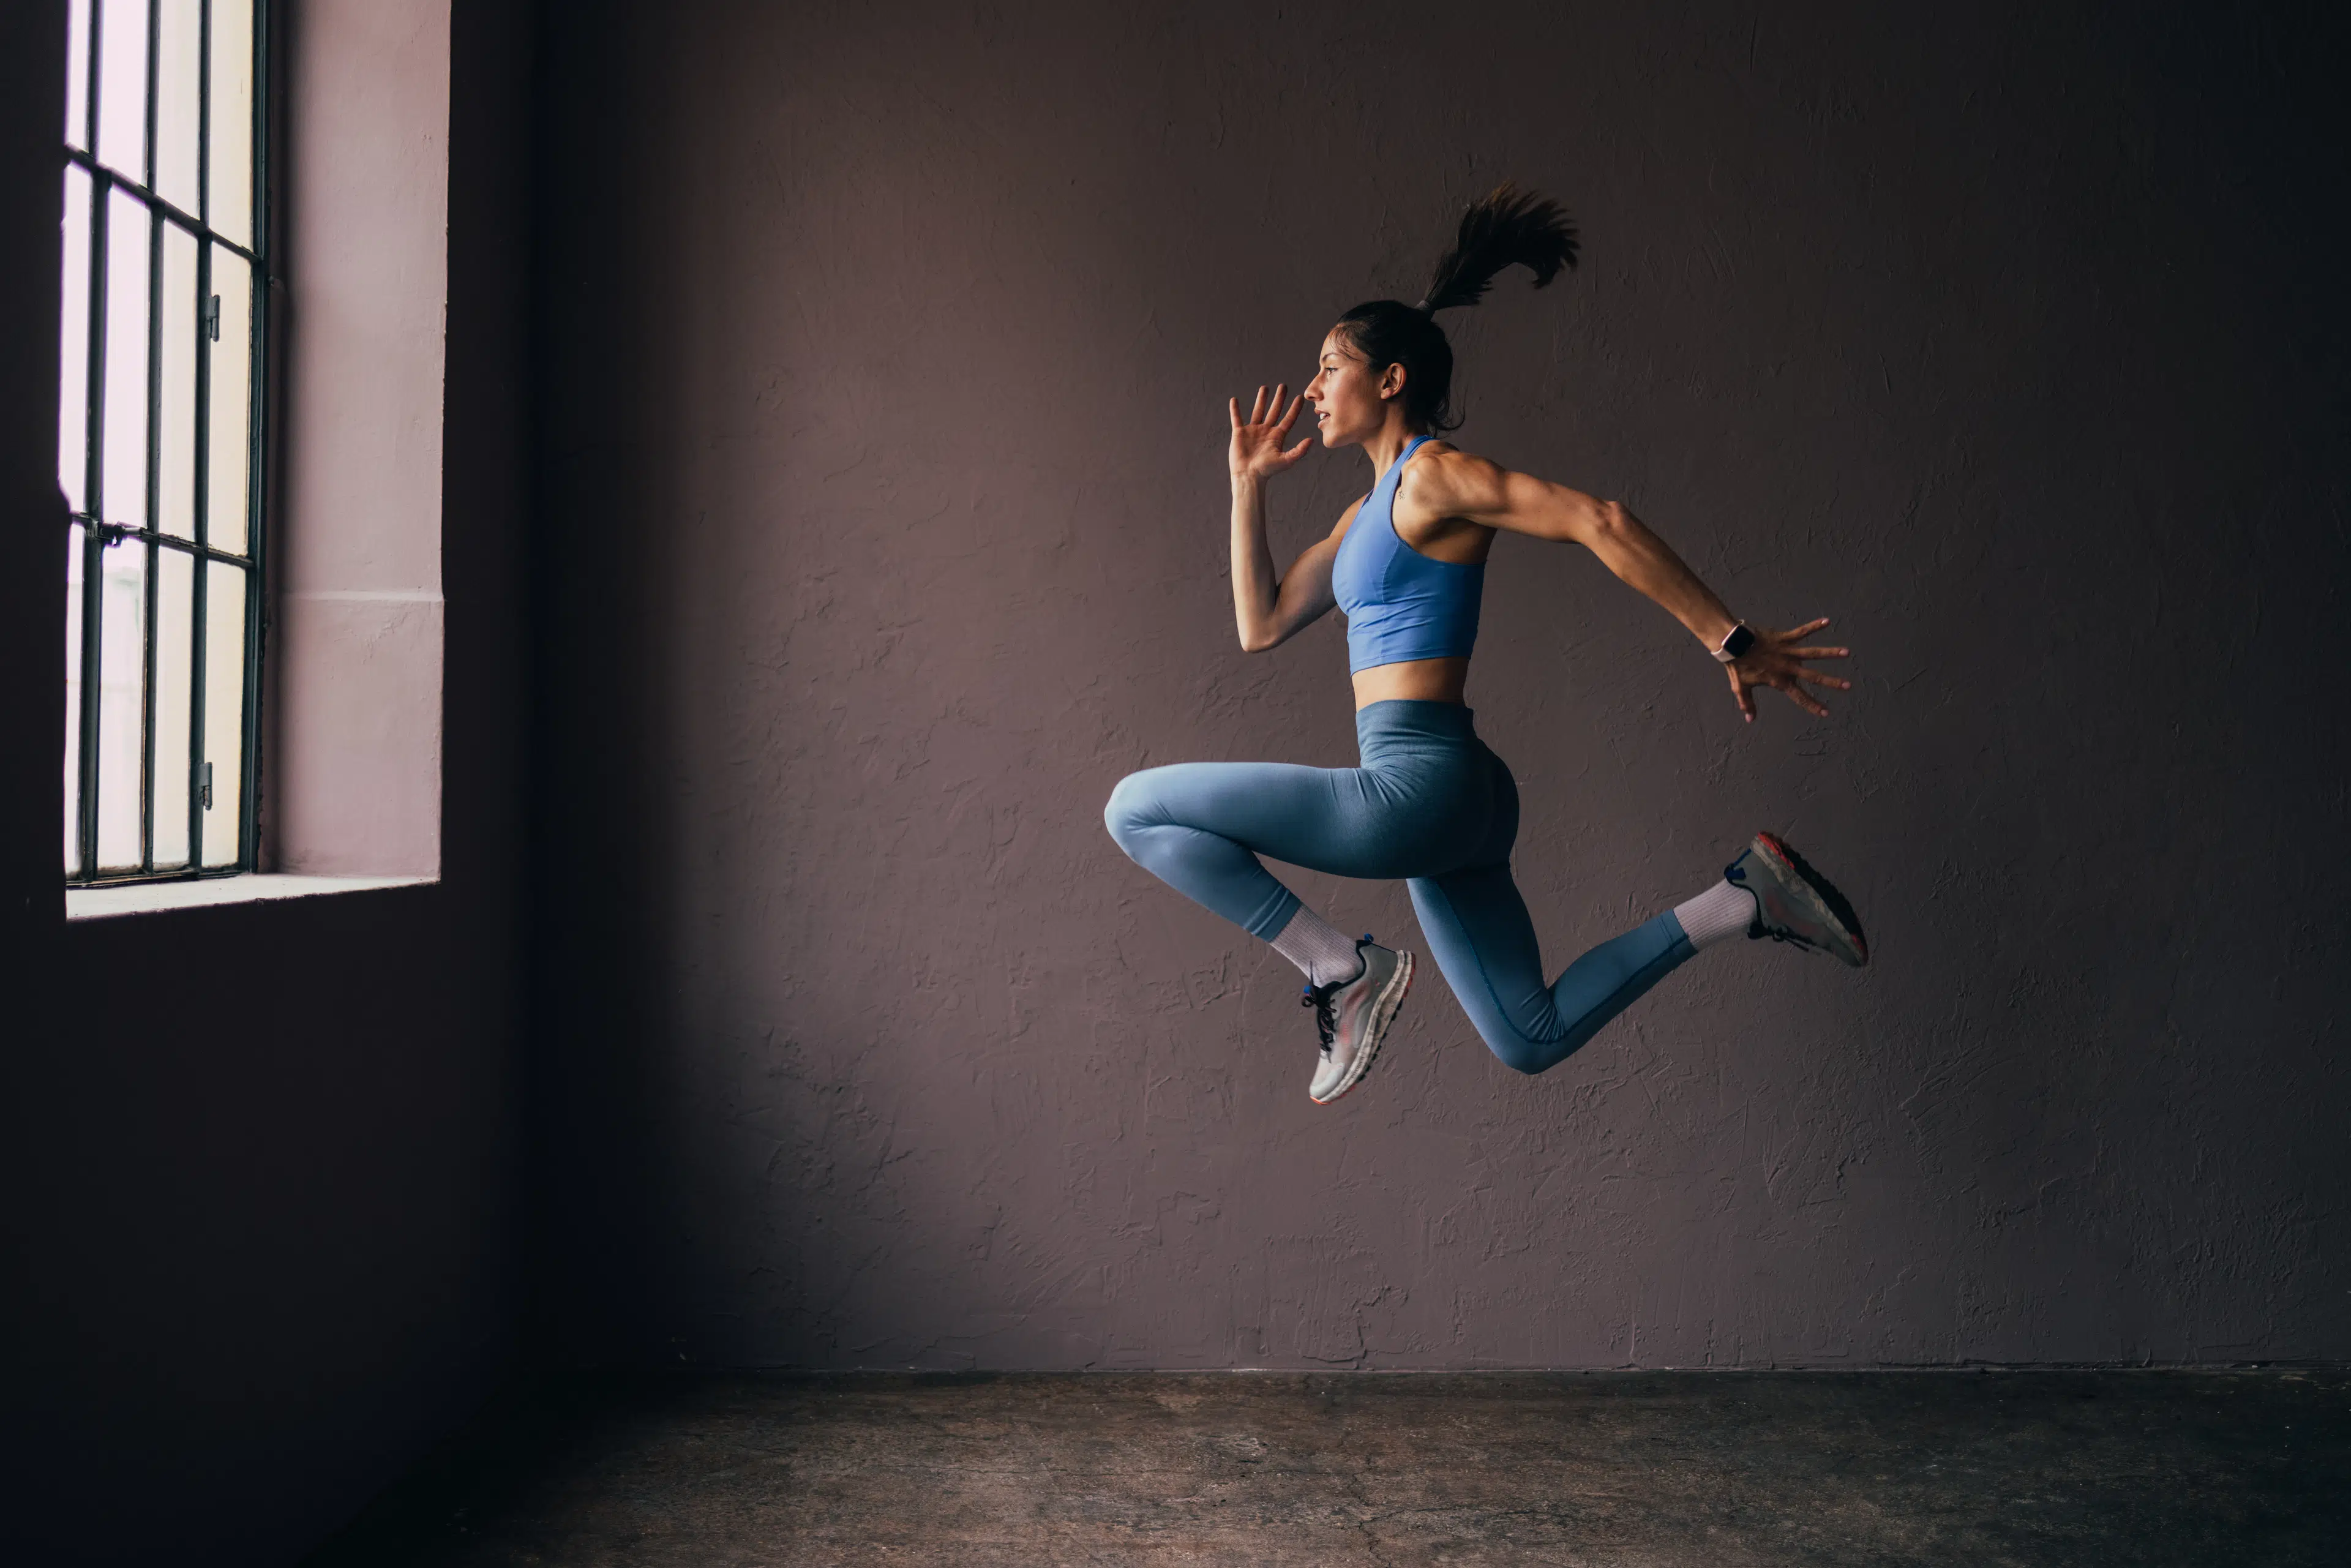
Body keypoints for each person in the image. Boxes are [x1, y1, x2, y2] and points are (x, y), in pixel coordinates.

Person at [1104, 186, 1867, 1105]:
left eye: (1329, 366)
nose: (1310, 388)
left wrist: (1730, 639)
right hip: (1455, 794)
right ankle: (1745, 900)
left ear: (1391, 380)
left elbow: (1598, 519)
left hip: (1417, 789)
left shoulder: (1436, 478)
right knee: (1529, 1036)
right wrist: (1246, 485)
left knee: (1135, 810)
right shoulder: (1362, 516)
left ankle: (1342, 970)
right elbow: (1260, 626)